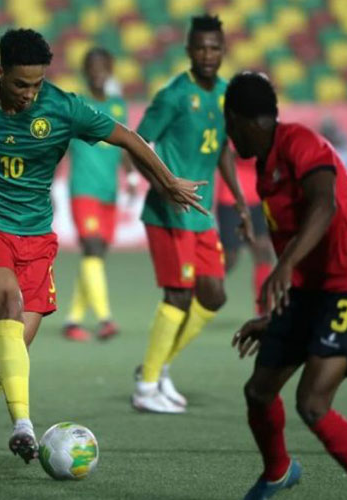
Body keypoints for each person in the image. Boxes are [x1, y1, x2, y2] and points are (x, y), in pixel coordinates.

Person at [0, 28, 205, 476]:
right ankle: (24, 424)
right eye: (20, 84)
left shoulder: (64, 107)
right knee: (9, 308)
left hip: (37, 240)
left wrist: (167, 182)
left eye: (36, 84)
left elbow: (128, 137)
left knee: (9, 354)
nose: (30, 94)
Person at [226, 71, 347, 500]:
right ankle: (278, 471)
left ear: (242, 121)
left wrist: (283, 266)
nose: (230, 137)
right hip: (313, 290)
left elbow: (326, 203)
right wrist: (278, 316)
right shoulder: (265, 167)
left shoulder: (301, 144)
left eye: (230, 126)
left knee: (313, 403)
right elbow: (300, 235)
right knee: (259, 391)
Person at [132, 14, 253, 414]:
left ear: (223, 51)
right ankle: (146, 387)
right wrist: (164, 185)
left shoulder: (226, 95)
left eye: (214, 47)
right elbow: (137, 143)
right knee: (179, 295)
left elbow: (220, 148)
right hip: (168, 213)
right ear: (188, 51)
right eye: (200, 47)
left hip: (202, 215)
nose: (207, 54)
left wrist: (237, 198)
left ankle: (157, 365)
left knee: (214, 295)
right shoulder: (173, 95)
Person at [61, 47, 137, 342]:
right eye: (92, 67)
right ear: (85, 71)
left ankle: (73, 320)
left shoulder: (118, 106)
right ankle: (105, 319)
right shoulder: (77, 105)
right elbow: (60, 145)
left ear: (110, 68)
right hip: (83, 189)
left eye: (102, 66)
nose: (97, 72)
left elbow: (125, 144)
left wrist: (130, 175)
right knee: (92, 248)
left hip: (109, 192)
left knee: (95, 256)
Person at [216, 148, 275, 315]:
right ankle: (198, 291)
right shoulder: (234, 125)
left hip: (257, 199)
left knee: (263, 252)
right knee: (230, 258)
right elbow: (233, 153)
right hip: (232, 201)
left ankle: (263, 310)